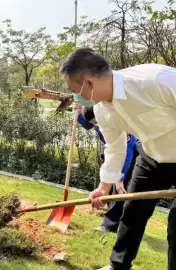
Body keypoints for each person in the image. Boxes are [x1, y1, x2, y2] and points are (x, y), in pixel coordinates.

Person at [60, 48, 176, 270]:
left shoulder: (155, 80)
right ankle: (117, 266)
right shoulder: (102, 110)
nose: (76, 97)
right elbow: (114, 147)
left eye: (74, 90)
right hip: (151, 157)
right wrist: (104, 188)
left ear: (89, 83)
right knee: (132, 213)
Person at [77, 105, 139, 233]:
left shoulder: (118, 123)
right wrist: (77, 113)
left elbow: (124, 151)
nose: (97, 126)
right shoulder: (95, 115)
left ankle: (110, 225)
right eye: (95, 123)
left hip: (129, 151)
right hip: (113, 151)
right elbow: (88, 124)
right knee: (109, 183)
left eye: (97, 122)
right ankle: (114, 222)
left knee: (119, 189)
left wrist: (119, 178)